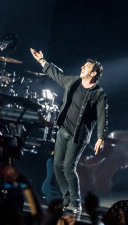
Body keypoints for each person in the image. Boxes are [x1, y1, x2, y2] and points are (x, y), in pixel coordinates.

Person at [30, 48, 108, 214]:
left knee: (68, 167)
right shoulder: (72, 82)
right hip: (63, 131)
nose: (82, 67)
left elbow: (102, 116)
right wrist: (42, 61)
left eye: (86, 66)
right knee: (57, 165)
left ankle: (76, 202)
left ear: (93, 73)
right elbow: (56, 74)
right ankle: (67, 201)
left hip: (78, 136)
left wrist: (100, 138)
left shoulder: (99, 95)